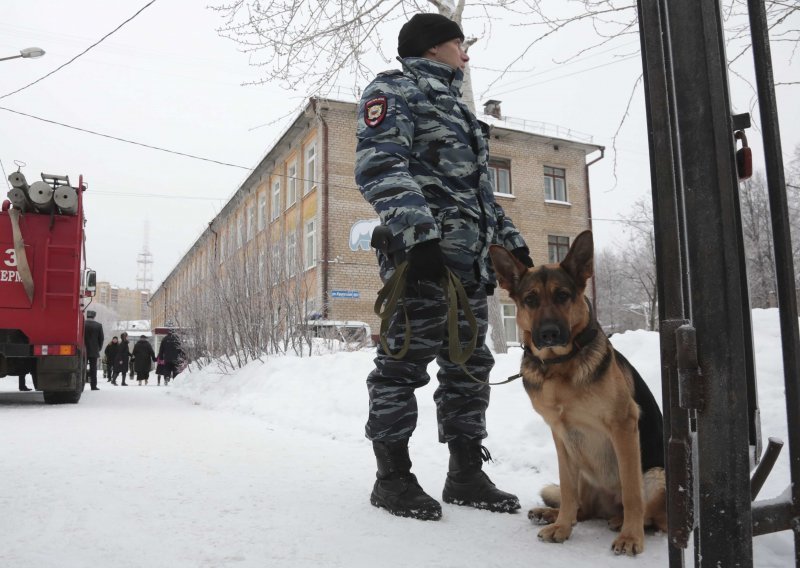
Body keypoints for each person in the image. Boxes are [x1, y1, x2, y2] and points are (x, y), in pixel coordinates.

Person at [354, 13, 534, 521]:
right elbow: (379, 167)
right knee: (402, 366)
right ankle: (392, 478)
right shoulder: (395, 91)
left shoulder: (458, 110)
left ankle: (465, 473)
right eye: (460, 44)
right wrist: (419, 237)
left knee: (469, 369)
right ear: (434, 47)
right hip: (423, 264)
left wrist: (514, 246)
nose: (467, 54)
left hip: (469, 268)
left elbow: (477, 196)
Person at [83, 310, 104, 391]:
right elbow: (101, 339)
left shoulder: (83, 324)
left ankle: (82, 385)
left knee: (83, 368)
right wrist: (99, 348)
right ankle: (93, 386)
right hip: (94, 350)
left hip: (83, 350)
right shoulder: (98, 325)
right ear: (94, 316)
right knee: (93, 369)